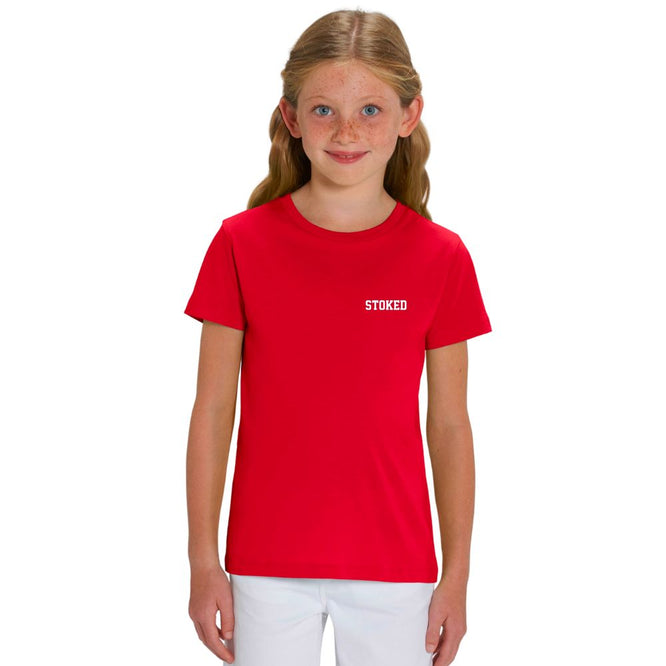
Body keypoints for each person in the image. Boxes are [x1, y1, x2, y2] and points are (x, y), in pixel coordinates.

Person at [184, 9, 492, 666]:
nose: (347, 131)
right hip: (265, 564)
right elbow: (212, 411)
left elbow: (449, 425)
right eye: (324, 109)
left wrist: (457, 575)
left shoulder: (441, 257)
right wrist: (203, 562)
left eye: (370, 110)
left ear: (409, 115)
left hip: (396, 566)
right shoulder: (240, 244)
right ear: (292, 117)